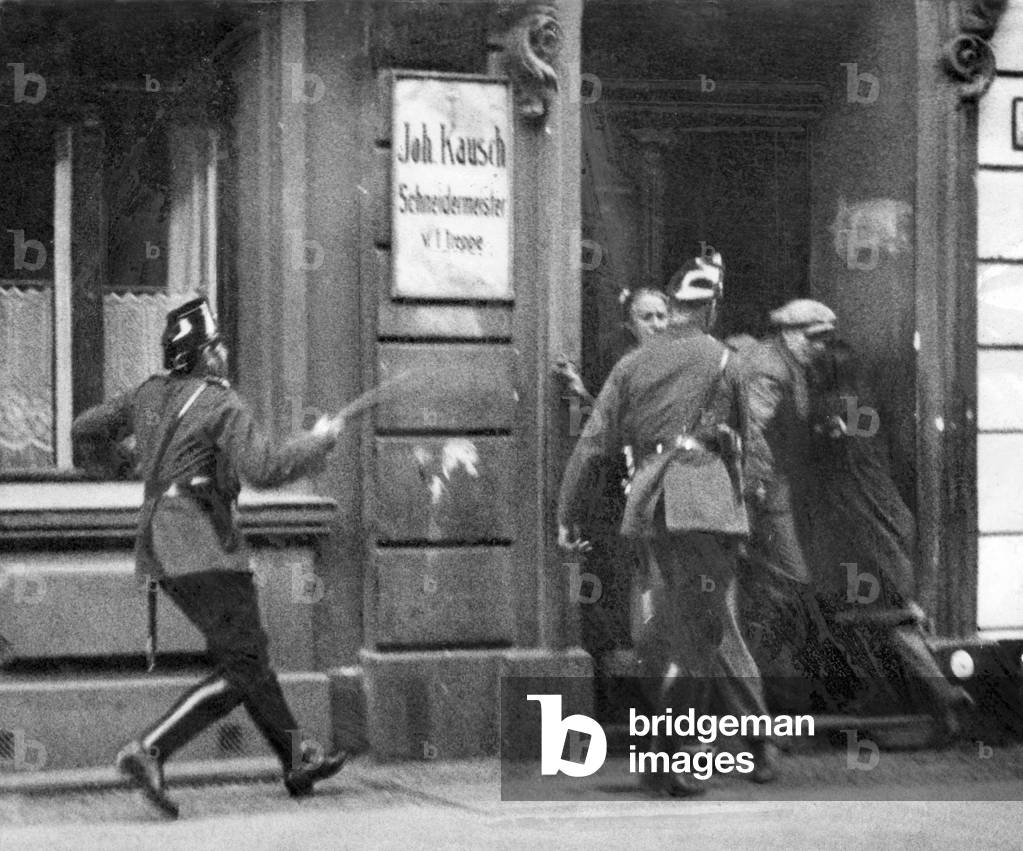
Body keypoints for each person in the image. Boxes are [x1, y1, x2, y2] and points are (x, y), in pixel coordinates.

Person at [71, 298, 347, 819]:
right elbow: (264, 469)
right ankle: (149, 751)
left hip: (158, 546)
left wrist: (129, 465)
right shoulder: (222, 404)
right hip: (207, 548)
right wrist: (319, 441)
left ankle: (295, 759)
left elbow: (86, 429)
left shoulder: (147, 394)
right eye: (215, 347)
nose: (221, 356)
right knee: (243, 662)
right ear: (204, 355)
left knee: (247, 654)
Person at [558, 258, 778, 797]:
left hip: (649, 511)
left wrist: (567, 513)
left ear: (673, 309)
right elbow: (751, 447)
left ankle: (667, 758)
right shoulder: (725, 360)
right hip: (704, 512)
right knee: (698, 636)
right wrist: (744, 505)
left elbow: (592, 445)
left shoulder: (632, 365)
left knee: (665, 633)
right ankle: (680, 759)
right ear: (712, 306)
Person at [806, 338, 973, 734]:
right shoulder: (866, 405)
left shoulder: (831, 405)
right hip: (888, 520)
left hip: (864, 529)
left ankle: (942, 695)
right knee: (876, 618)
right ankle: (916, 698)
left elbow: (822, 454)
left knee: (889, 620)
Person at [738, 298, 851, 708]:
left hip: (774, 493)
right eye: (813, 338)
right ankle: (753, 691)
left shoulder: (793, 365)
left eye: (825, 339)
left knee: (784, 586)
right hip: (757, 496)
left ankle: (765, 687)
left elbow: (785, 422)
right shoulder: (769, 367)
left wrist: (821, 426)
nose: (820, 346)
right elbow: (749, 432)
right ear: (788, 333)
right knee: (780, 584)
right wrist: (755, 492)